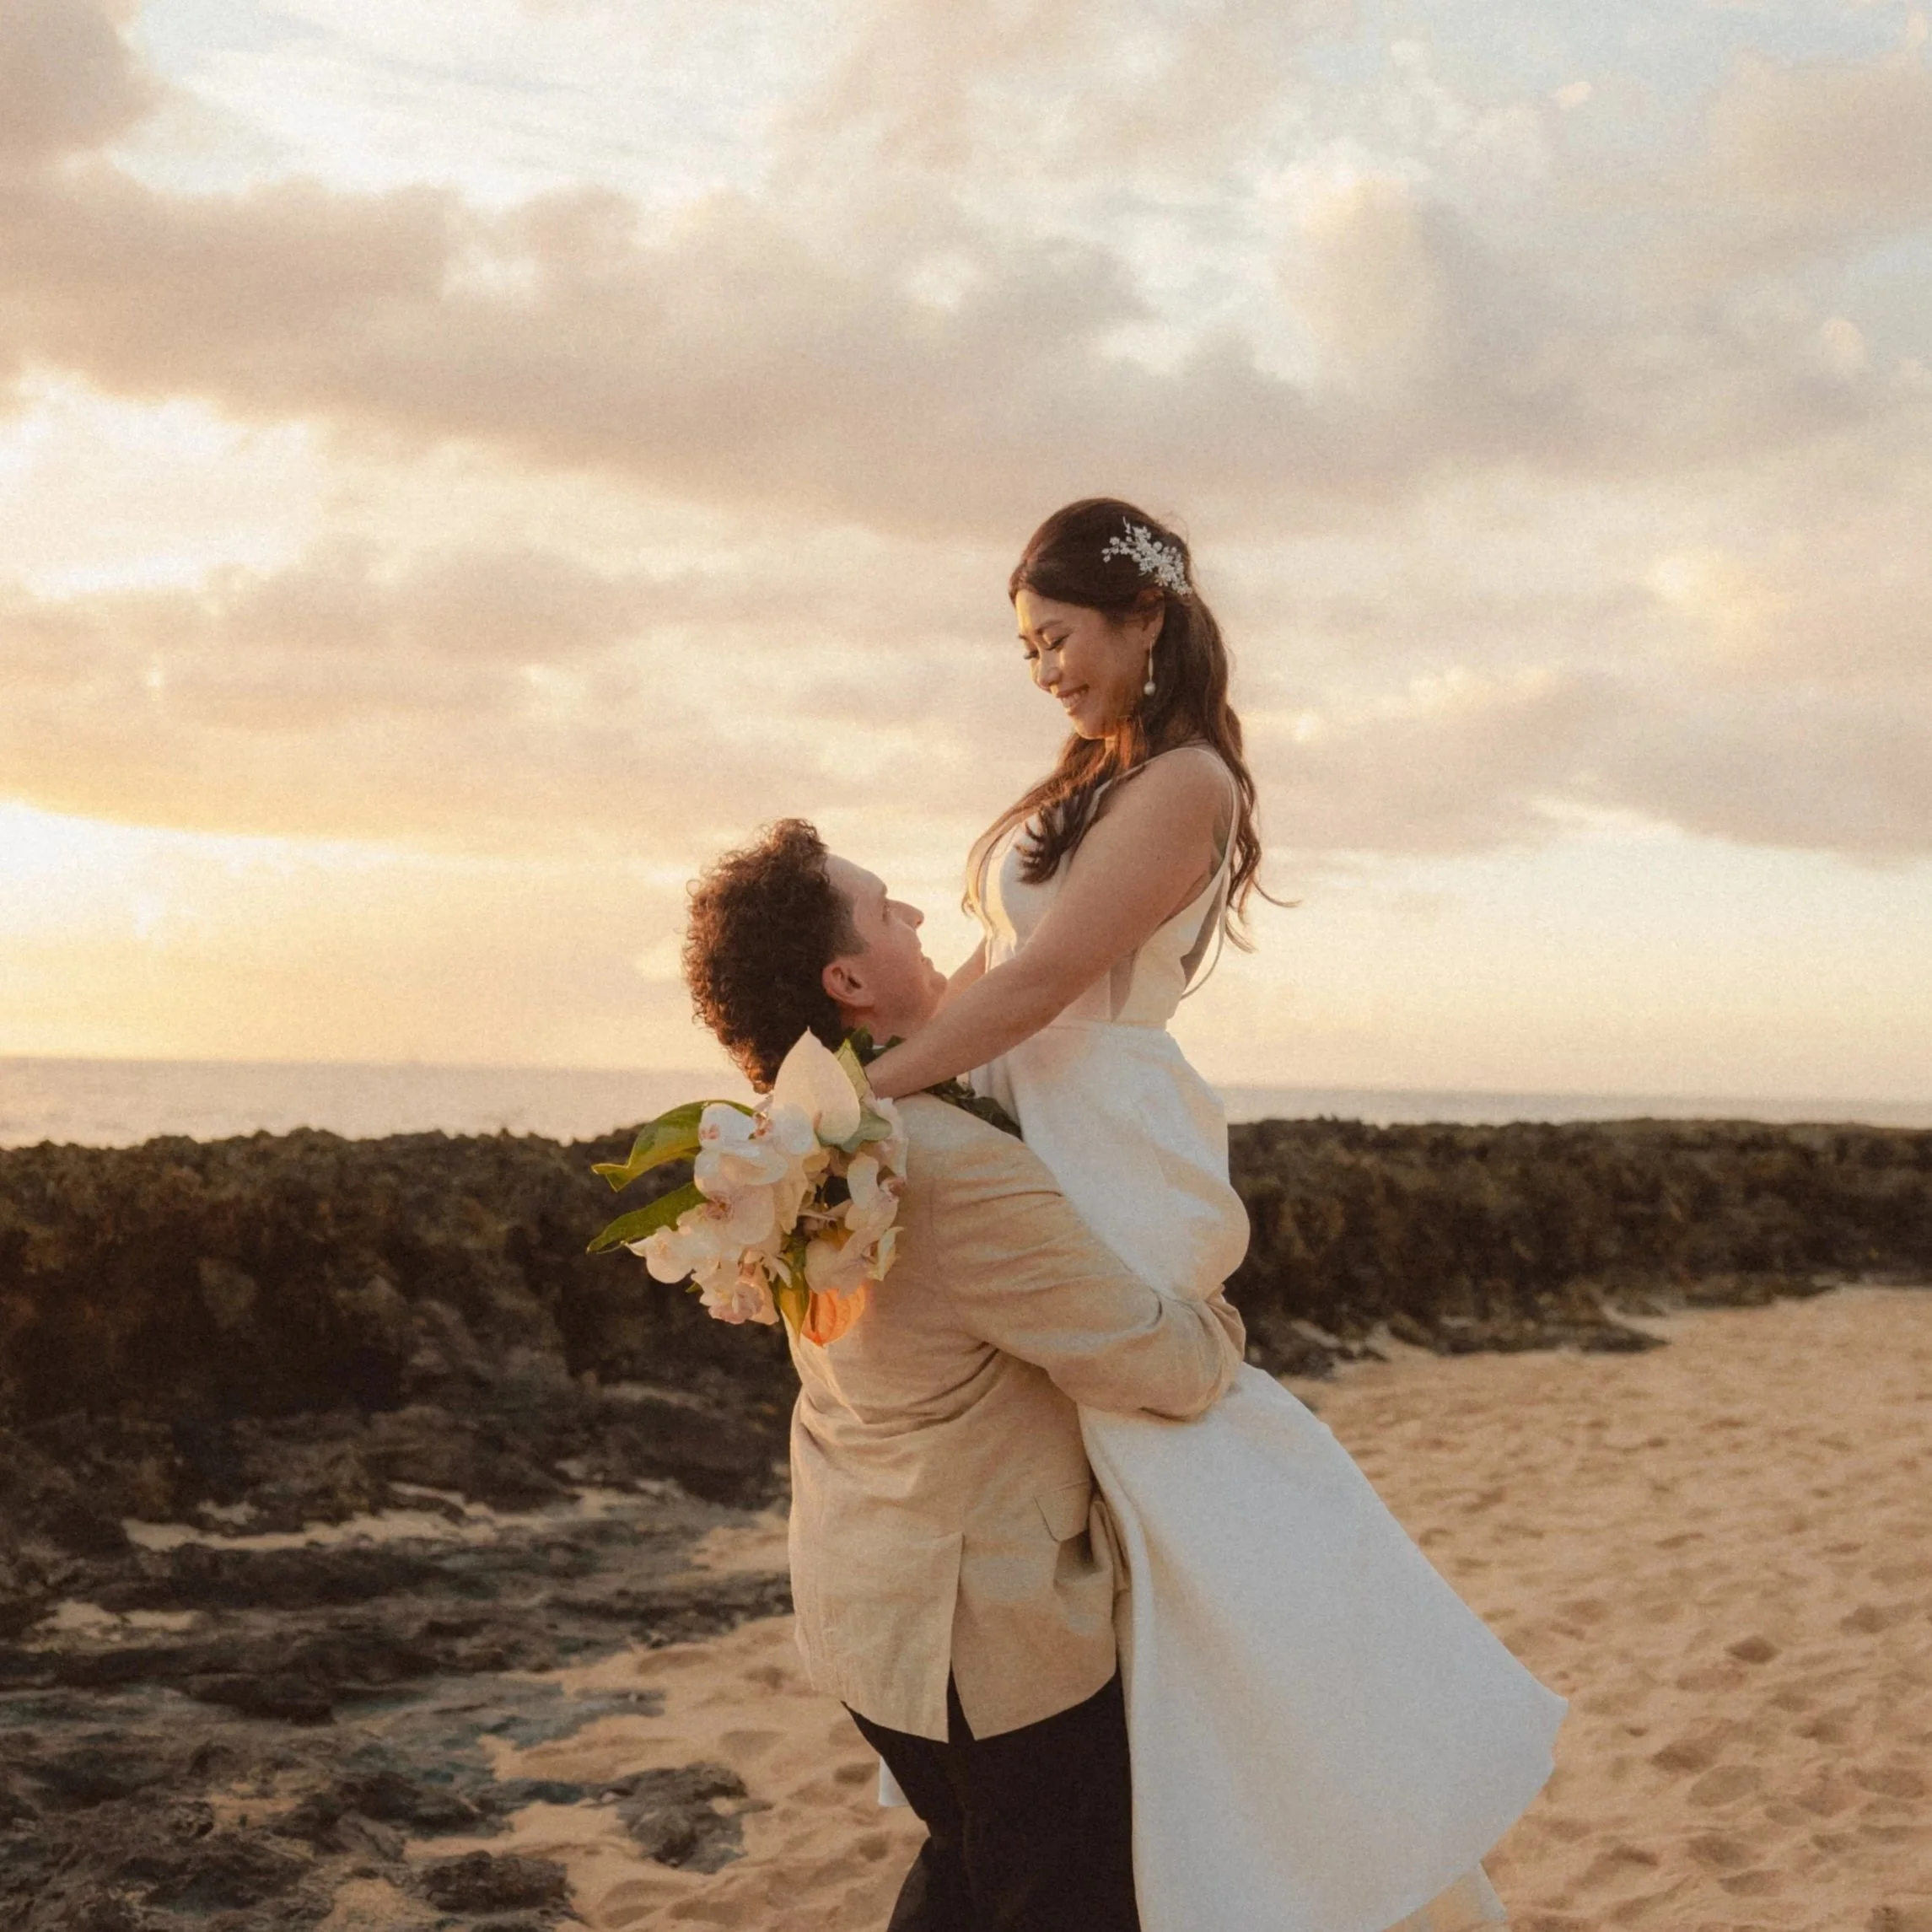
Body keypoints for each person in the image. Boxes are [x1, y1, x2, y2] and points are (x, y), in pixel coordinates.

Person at [859, 498, 1569, 1932]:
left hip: (1101, 1136)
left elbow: (1046, 975)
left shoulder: (1185, 782)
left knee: (1161, 1471)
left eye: (1055, 636)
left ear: (1145, 620)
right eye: (1025, 648)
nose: (1042, 668)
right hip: (1033, 1120)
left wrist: (853, 1098)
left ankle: (1250, 1792)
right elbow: (1004, 981)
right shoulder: (1104, 772)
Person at [681, 818, 1247, 1932]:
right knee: (1059, 1895)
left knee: (968, 1873)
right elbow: (1169, 1365)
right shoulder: (947, 1166)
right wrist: (1213, 1294)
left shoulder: (798, 1141)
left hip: (863, 1609)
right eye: (888, 909)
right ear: (847, 977)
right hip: (984, 1643)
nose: (917, 918)